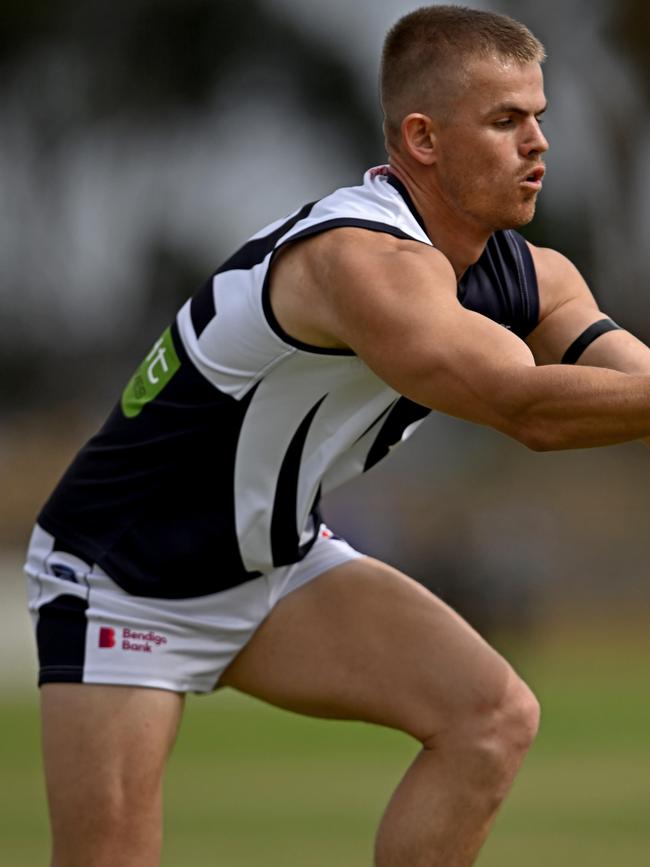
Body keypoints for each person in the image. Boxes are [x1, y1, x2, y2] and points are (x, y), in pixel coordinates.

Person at [24, 5, 650, 866]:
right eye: (506, 120)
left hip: (275, 566)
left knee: (491, 717)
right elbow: (528, 408)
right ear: (423, 139)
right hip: (122, 571)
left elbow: (632, 385)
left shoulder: (535, 276)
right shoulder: (360, 263)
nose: (538, 142)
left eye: (540, 116)